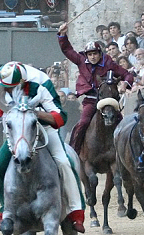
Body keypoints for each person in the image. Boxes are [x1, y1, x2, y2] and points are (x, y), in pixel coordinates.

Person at [0, 59, 86, 234]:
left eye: (11, 87)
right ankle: (4, 213)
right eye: (5, 87)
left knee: (63, 162)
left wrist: (35, 113)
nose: (7, 90)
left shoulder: (41, 84)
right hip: (15, 129)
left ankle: (76, 211)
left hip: (43, 127)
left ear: (23, 82)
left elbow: (61, 117)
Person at [57, 22, 134, 155]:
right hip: (91, 100)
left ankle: (128, 155)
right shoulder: (81, 60)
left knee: (122, 124)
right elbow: (67, 50)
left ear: (100, 53)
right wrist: (62, 35)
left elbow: (127, 74)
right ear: (86, 55)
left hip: (108, 100)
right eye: (90, 54)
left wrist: (125, 84)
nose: (92, 57)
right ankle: (74, 153)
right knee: (83, 122)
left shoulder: (109, 62)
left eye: (95, 54)